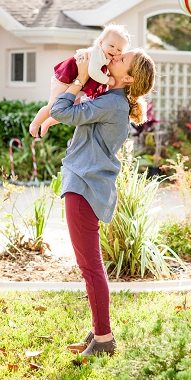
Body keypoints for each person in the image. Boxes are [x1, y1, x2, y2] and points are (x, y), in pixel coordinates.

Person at [50, 46, 156, 356]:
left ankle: (105, 338)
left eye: (121, 60)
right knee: (90, 266)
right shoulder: (111, 98)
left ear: (129, 77)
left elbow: (60, 112)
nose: (113, 58)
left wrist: (79, 79)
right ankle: (99, 327)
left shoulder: (111, 102)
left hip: (83, 186)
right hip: (84, 184)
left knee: (90, 267)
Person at [29, 23, 130, 137]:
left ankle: (49, 122)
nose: (115, 51)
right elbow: (93, 72)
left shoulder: (106, 58)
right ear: (101, 43)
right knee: (53, 105)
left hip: (79, 83)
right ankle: (35, 123)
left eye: (119, 50)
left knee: (71, 108)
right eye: (111, 46)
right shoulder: (97, 53)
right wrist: (108, 80)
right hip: (66, 79)